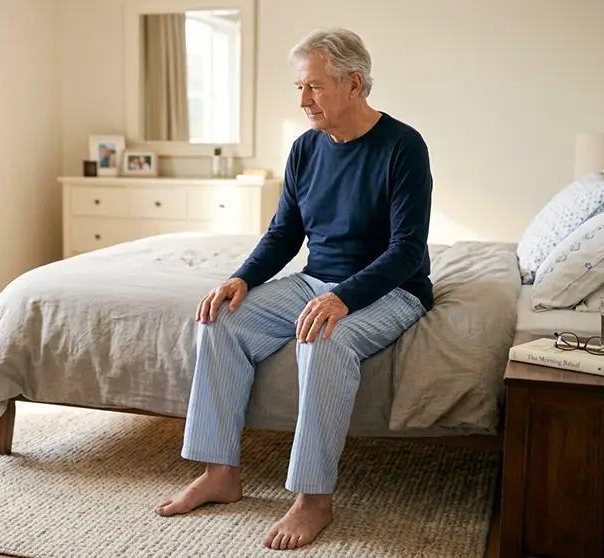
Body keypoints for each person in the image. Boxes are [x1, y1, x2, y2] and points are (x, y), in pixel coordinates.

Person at [155, 27, 434, 551]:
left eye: (314, 87)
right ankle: (221, 472)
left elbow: (408, 251)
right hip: (314, 278)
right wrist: (241, 278)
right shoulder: (306, 149)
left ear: (354, 84)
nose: (304, 100)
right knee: (221, 318)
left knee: (323, 338)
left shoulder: (403, 146)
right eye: (300, 89)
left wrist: (343, 297)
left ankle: (313, 500)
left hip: (391, 288)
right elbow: (284, 233)